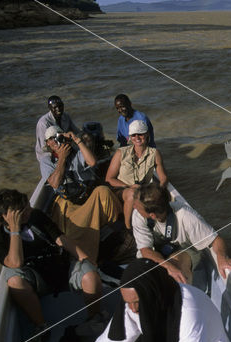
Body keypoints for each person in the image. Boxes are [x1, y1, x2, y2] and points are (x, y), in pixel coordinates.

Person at [0, 189, 106, 342]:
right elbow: (16, 263)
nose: (30, 209)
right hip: (38, 282)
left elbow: (62, 239)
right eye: (24, 209)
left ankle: (94, 318)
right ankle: (41, 327)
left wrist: (86, 259)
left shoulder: (36, 217)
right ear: (8, 218)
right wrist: (15, 230)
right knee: (13, 279)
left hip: (61, 270)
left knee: (90, 275)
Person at [80, 258, 231, 342]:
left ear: (152, 294)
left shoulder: (188, 311)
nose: (133, 309)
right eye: (127, 302)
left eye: (136, 302)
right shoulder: (134, 305)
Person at [40, 125, 122, 264]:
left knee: (104, 192)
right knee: (73, 225)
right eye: (52, 139)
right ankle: (87, 255)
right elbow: (54, 183)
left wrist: (76, 140)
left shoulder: (76, 152)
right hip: (68, 201)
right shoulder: (47, 161)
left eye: (59, 137)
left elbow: (92, 162)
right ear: (48, 143)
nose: (56, 141)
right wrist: (62, 158)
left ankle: (115, 233)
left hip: (86, 195)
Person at [132, 183, 231, 284]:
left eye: (137, 206)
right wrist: (168, 267)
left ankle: (185, 292)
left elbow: (216, 240)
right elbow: (146, 250)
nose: (134, 208)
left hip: (183, 250)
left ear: (152, 215)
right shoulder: (139, 215)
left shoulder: (186, 216)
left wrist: (221, 257)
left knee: (178, 272)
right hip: (153, 251)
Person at [106, 120, 168, 231]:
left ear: (147, 134)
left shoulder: (155, 153)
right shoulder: (121, 152)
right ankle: (128, 228)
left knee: (139, 194)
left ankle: (157, 227)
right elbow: (109, 179)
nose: (137, 137)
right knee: (132, 193)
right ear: (130, 137)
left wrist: (160, 189)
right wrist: (128, 186)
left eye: (140, 134)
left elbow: (163, 177)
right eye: (133, 135)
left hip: (141, 191)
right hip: (121, 190)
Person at [35, 95, 79, 161]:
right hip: (48, 154)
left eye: (60, 106)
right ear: (49, 108)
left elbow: (76, 132)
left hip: (64, 148)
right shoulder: (43, 123)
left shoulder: (66, 116)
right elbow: (44, 147)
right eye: (55, 107)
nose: (58, 109)